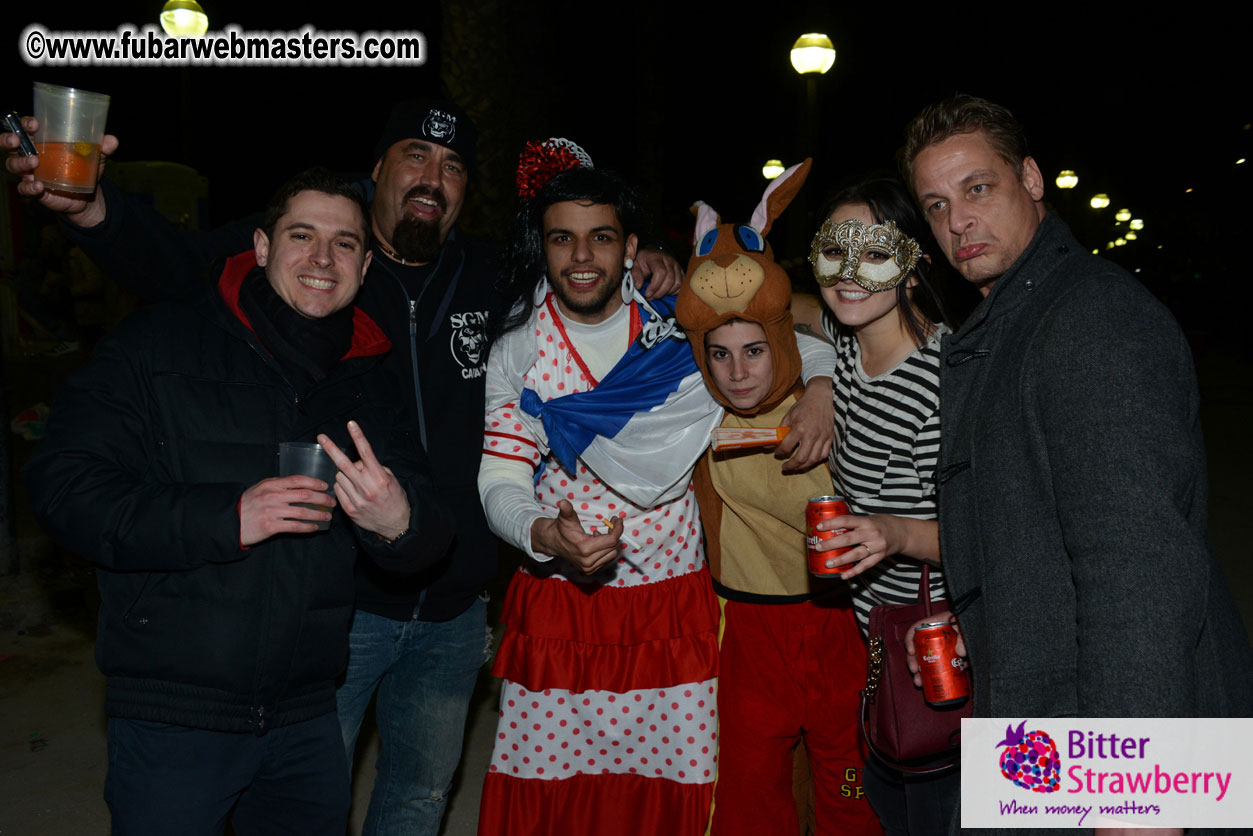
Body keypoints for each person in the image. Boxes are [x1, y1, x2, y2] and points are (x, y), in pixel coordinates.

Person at [3, 100, 685, 836]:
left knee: (418, 797)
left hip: (452, 601)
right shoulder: (318, 273)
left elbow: (583, 270)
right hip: (338, 608)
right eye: (414, 155)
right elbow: (172, 261)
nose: (433, 176)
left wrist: (648, 263)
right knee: (292, 789)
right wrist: (93, 209)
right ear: (377, 171)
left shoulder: (495, 277)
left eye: (453, 165)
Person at [23, 168, 454, 836]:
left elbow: (428, 534)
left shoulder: (369, 380)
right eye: (301, 235)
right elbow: (62, 488)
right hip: (174, 714)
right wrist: (227, 518)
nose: (322, 258)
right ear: (260, 247)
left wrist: (399, 523)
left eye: (344, 243)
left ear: (365, 266)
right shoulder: (158, 343)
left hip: (308, 715)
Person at [899, 94, 1253, 833]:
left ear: (1030, 179)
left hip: (1111, 735)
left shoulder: (1089, 319)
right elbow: (1031, 525)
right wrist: (981, 615)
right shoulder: (1017, 318)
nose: (958, 221)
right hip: (1047, 719)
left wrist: (1139, 792)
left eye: (977, 188)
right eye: (936, 205)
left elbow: (1138, 565)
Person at [477, 139, 837, 835]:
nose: (582, 256)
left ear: (630, 246)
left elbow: (784, 336)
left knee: (678, 792)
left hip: (673, 603)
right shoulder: (519, 350)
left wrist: (820, 385)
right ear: (542, 249)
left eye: (601, 237)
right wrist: (543, 533)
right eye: (562, 239)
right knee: (553, 796)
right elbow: (499, 476)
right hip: (563, 609)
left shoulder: (678, 326)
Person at [675, 160, 881, 836]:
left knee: (851, 788)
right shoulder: (695, 412)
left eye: (754, 352)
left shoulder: (837, 398)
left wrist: (821, 384)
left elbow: (830, 325)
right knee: (750, 791)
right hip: (748, 628)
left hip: (838, 622)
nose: (737, 372)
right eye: (720, 355)